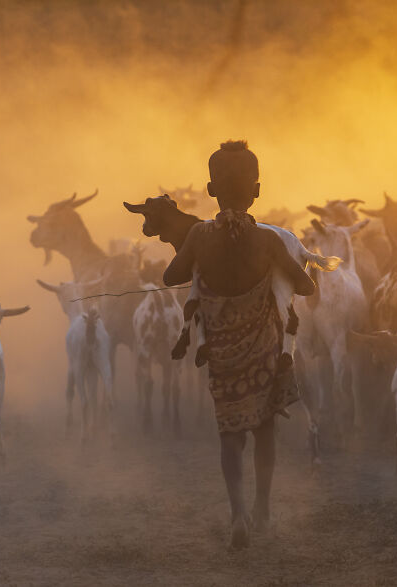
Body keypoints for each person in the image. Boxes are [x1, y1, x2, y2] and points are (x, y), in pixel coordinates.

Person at [164, 140, 315, 549]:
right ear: (257, 190)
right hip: (264, 347)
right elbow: (307, 285)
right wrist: (286, 269)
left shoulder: (198, 235)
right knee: (264, 427)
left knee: (230, 433)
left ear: (211, 190)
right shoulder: (268, 240)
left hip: (222, 350)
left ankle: (238, 515)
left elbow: (169, 276)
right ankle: (263, 509)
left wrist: (195, 255)